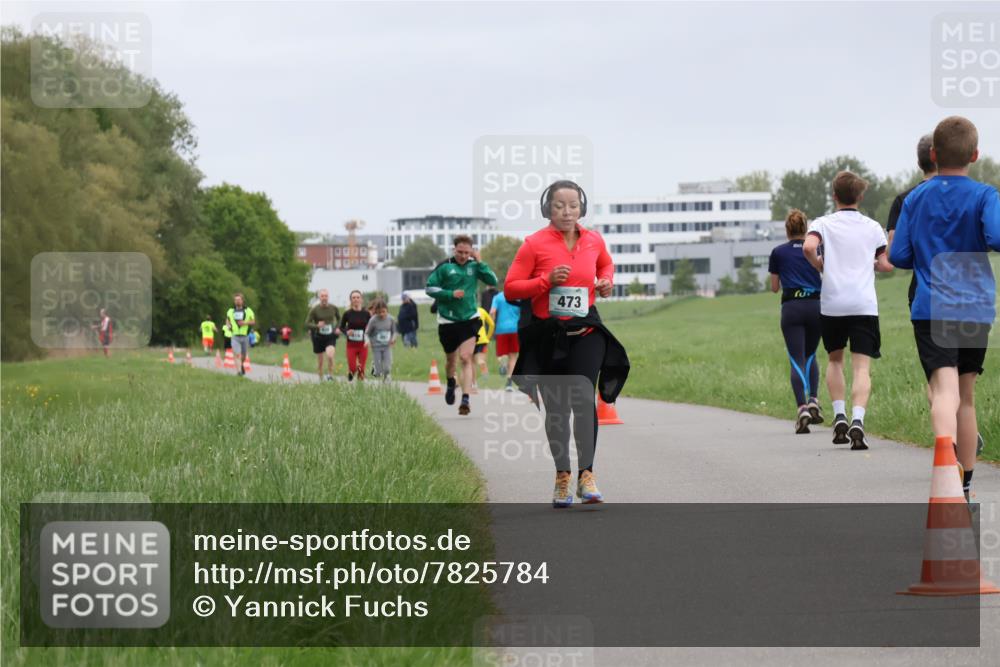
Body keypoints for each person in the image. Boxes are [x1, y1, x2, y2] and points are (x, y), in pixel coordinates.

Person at [889, 115, 1000, 502]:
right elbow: (998, 237)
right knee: (965, 397)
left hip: (932, 305)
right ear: (975, 154)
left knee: (944, 389)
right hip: (974, 305)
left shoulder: (915, 198)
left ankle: (944, 469)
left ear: (933, 155)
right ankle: (965, 487)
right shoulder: (986, 196)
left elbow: (898, 255)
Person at [505, 180, 629, 508]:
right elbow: (511, 289)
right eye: (559, 205)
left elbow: (605, 264)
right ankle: (563, 476)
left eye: (573, 205)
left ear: (582, 207)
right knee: (558, 411)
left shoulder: (593, 240)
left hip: (585, 333)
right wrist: (545, 281)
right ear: (548, 208)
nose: (567, 211)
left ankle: (586, 474)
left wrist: (606, 283)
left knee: (583, 402)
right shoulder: (534, 244)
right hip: (548, 337)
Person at [803, 171, 894, 449]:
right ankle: (858, 420)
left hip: (832, 303)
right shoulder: (873, 227)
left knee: (834, 361)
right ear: (861, 196)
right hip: (864, 304)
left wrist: (821, 266)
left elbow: (808, 247)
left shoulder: (823, 223)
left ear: (834, 196)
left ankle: (839, 414)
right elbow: (887, 263)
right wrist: (875, 264)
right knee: (862, 367)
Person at [426, 235, 499, 415]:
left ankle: (465, 400)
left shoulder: (474, 267)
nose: (463, 256)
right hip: (448, 321)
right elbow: (430, 288)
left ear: (472, 251)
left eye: (467, 253)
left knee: (466, 358)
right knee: (451, 361)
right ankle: (451, 382)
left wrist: (480, 261)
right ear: (454, 249)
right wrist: (450, 294)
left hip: (469, 318)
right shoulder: (444, 267)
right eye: (460, 252)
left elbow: (493, 281)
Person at [769, 210, 824, 434]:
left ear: (787, 229)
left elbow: (774, 288)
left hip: (791, 308)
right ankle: (814, 399)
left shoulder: (778, 252)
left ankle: (801, 407)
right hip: (816, 306)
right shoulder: (817, 249)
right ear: (805, 228)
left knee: (796, 358)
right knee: (811, 355)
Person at [305, 289, 341, 381]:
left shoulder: (333, 308)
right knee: (320, 361)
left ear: (328, 297)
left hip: (330, 336)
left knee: (330, 355)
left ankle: (330, 375)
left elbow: (340, 319)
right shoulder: (315, 310)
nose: (324, 298)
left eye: (326, 296)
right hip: (318, 337)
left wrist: (337, 327)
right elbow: (307, 323)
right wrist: (317, 326)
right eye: (322, 296)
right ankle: (320, 378)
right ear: (319, 298)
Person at [490, 290, 522, 392]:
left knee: (501, 354)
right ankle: (509, 383)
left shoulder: (498, 297)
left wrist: (492, 325)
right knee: (513, 356)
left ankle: (503, 364)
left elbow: (492, 312)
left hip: (501, 329)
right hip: (515, 329)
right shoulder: (518, 296)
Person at [340, 290, 371, 381]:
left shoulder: (366, 313)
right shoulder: (347, 314)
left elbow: (371, 326)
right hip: (351, 346)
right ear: (351, 300)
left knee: (361, 369)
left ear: (361, 300)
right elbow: (341, 327)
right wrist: (346, 332)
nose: (356, 299)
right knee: (353, 368)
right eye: (353, 297)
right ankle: (351, 373)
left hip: (363, 345)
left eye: (358, 297)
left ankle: (360, 389)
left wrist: (369, 339)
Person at [366, 299, 397, 380]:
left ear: (387, 310)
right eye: (379, 312)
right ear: (376, 311)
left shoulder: (391, 319)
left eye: (383, 311)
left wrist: (393, 339)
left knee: (387, 368)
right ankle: (375, 367)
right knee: (378, 372)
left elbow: (394, 332)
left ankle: (386, 379)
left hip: (387, 346)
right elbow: (367, 333)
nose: (382, 314)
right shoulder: (373, 320)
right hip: (376, 347)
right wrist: (367, 341)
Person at [226, 293, 256, 376]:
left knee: (244, 355)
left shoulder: (248, 310)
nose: (237, 301)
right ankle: (239, 372)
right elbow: (227, 319)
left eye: (239, 300)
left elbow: (253, 321)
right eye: (235, 300)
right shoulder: (230, 311)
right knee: (237, 354)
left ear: (242, 301)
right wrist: (228, 325)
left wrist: (245, 323)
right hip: (235, 336)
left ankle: (241, 365)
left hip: (245, 336)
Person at [474, 306, 495, 378]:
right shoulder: (482, 311)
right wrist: (488, 337)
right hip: (483, 339)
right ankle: (485, 376)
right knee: (481, 359)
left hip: (470, 340)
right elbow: (492, 324)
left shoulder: (466, 312)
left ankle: (473, 384)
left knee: (470, 363)